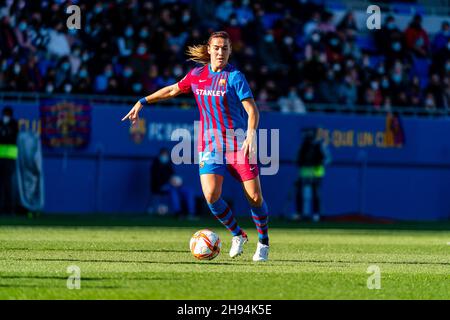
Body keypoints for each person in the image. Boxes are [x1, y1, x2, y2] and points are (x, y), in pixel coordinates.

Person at [122, 31, 270, 261]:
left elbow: (252, 110)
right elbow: (172, 90)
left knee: (254, 197)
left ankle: (263, 242)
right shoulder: (197, 75)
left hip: (239, 144)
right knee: (211, 195)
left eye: (225, 48)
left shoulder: (235, 77)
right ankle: (238, 234)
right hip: (211, 144)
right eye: (217, 48)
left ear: (230, 51)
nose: (221, 52)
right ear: (209, 50)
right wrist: (142, 101)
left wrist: (251, 135)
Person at [295, 127, 330, 222]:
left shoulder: (320, 145)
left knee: (316, 194)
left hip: (317, 173)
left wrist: (318, 163)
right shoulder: (303, 145)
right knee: (300, 193)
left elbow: (327, 159)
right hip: (305, 173)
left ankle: (316, 214)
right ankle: (300, 214)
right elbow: (298, 159)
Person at [150, 148, 196, 219]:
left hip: (174, 185)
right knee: (173, 191)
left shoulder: (168, 164)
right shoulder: (155, 164)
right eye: (163, 155)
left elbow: (173, 176)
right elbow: (157, 179)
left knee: (188, 191)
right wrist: (170, 181)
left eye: (166, 155)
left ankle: (191, 214)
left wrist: (176, 181)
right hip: (160, 186)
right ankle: (178, 213)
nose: (164, 157)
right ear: (160, 155)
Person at [0, 106, 18, 214]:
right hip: (0, 157)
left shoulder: (14, 125)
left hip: (10, 158)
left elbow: (12, 138)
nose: (5, 116)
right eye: (4, 114)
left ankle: (10, 208)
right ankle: (1, 208)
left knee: (8, 184)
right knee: (0, 184)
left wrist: (4, 135)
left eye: (7, 114)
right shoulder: (0, 123)